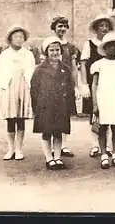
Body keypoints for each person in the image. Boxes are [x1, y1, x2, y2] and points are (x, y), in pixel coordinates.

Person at [31, 37, 77, 170]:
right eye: (51, 50)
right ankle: (49, 158)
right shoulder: (40, 70)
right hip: (45, 106)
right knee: (46, 132)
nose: (55, 53)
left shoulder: (65, 69)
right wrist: (36, 107)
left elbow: (70, 89)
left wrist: (70, 108)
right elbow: (34, 89)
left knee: (58, 132)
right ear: (46, 52)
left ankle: (57, 157)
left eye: (57, 50)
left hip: (61, 106)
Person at [41, 16, 81, 158]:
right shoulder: (48, 44)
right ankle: (51, 148)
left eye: (64, 26)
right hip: (51, 85)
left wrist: (76, 86)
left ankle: (63, 145)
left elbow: (74, 68)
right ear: (54, 27)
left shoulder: (71, 47)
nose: (62, 29)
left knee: (64, 114)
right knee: (51, 115)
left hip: (66, 83)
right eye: (59, 26)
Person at [91, 32, 115, 169]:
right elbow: (94, 84)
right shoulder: (98, 64)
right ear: (105, 48)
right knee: (102, 127)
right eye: (109, 46)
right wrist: (95, 103)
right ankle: (103, 154)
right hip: (103, 98)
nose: (112, 48)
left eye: (114, 46)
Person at [0, 26, 35, 161]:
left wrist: (30, 88)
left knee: (20, 118)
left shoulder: (28, 54)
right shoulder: (5, 54)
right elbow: (1, 74)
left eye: (21, 37)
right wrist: (1, 90)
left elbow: (31, 72)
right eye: (16, 37)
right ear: (10, 39)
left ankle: (19, 149)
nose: (19, 39)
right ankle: (11, 148)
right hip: (9, 86)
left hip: (23, 86)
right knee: (10, 118)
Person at [79, 14, 114, 158]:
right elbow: (83, 64)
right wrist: (84, 85)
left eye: (106, 26)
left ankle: (108, 146)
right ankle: (95, 145)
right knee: (95, 114)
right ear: (96, 28)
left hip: (109, 83)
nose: (104, 28)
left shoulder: (112, 43)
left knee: (110, 115)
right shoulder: (89, 43)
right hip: (94, 83)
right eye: (101, 26)